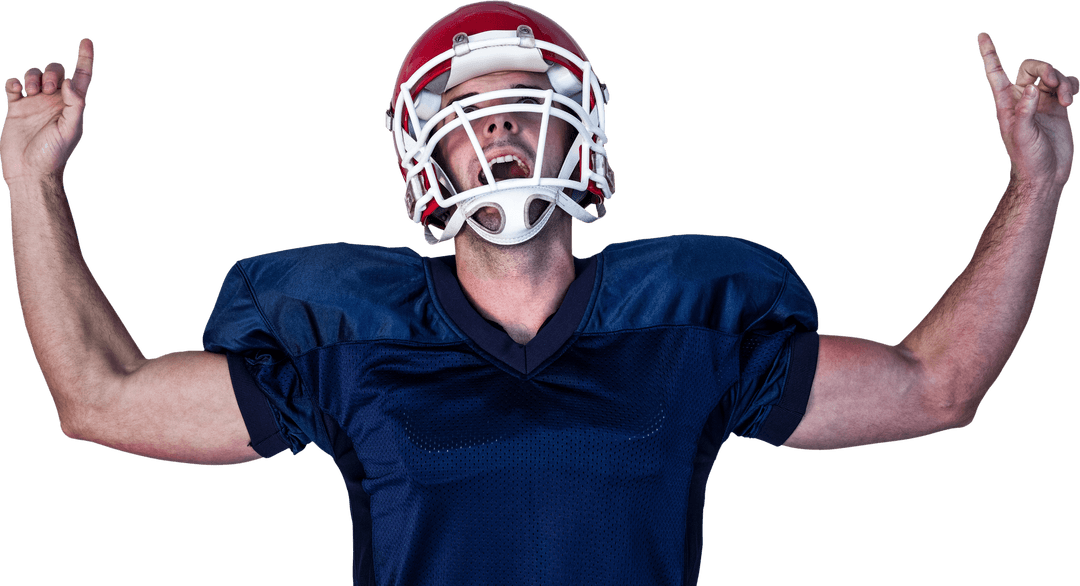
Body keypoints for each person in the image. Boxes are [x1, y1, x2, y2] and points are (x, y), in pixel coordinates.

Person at [2, 2, 1075, 585]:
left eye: (523, 105)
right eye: (470, 115)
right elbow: (98, 398)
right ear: (426, 156)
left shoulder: (690, 323)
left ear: (581, 134)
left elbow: (938, 386)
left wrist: (1035, 185)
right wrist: (32, 184)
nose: (502, 128)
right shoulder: (347, 337)